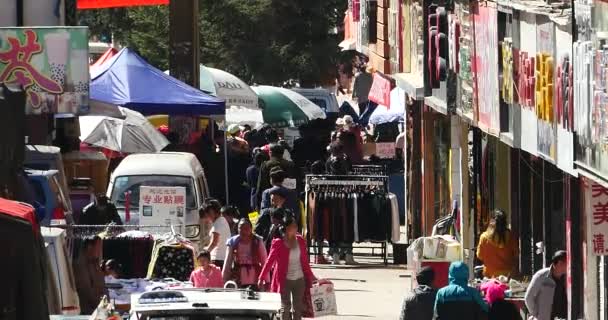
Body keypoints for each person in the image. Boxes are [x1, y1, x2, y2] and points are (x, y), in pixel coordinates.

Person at [258, 215, 317, 320]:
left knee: (297, 308)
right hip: (284, 280)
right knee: (285, 307)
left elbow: (305, 263)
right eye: (293, 226)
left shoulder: (301, 241)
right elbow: (269, 261)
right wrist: (261, 277)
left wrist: (311, 276)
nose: (295, 228)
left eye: (296, 226)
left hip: (299, 279)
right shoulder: (278, 243)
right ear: (286, 228)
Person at [325, 142, 355, 265]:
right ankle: (348, 254)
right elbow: (350, 173)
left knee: (334, 225)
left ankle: (335, 254)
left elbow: (328, 176)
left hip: (333, 194)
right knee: (347, 224)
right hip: (347, 193)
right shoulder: (346, 160)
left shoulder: (329, 161)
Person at [223, 219, 269, 288]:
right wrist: (224, 279)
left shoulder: (258, 241)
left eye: (246, 228)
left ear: (251, 229)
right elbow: (227, 262)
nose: (243, 231)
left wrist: (267, 281)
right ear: (237, 229)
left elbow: (264, 261)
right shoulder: (232, 242)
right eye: (241, 228)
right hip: (238, 278)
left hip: (255, 279)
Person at [524, 250, 568, 320]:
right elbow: (528, 297)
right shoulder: (541, 276)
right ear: (560, 263)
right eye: (567, 263)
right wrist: (537, 314)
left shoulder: (567, 278)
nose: (569, 266)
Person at [476, 209, 519, 278]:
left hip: (490, 277)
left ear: (491, 222)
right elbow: (516, 255)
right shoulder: (511, 236)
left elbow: (480, 256)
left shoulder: (484, 237)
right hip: (508, 276)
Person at [256, 144, 298, 208]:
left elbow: (261, 185)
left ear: (270, 153)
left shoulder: (265, 165)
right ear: (283, 153)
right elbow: (297, 183)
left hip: (269, 199)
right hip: (288, 199)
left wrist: (258, 203)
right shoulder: (291, 165)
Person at [74, 236, 107, 314]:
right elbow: (86, 290)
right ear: (89, 247)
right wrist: (99, 305)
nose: (99, 251)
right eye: (98, 247)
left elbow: (100, 283)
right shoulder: (80, 265)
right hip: (89, 310)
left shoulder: (94, 262)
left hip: (98, 307)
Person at [200, 199, 232, 268]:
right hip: (222, 258)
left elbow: (214, 242)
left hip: (218, 259)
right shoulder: (221, 221)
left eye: (210, 213)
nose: (208, 215)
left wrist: (204, 253)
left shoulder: (218, 223)